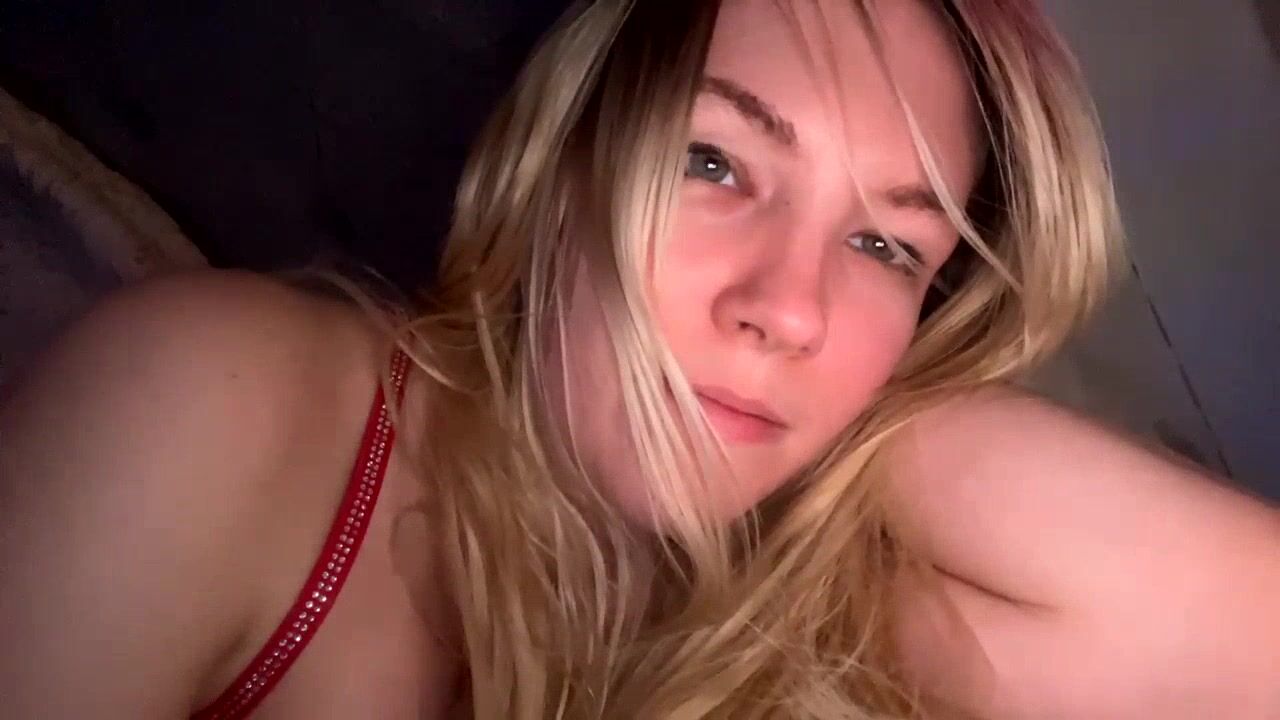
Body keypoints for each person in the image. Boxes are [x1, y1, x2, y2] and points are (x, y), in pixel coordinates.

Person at [2, 0, 1277, 717]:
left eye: (886, 245)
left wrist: (908, 405)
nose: (787, 308)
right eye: (712, 161)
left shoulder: (829, 608)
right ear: (558, 163)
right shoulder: (221, 409)